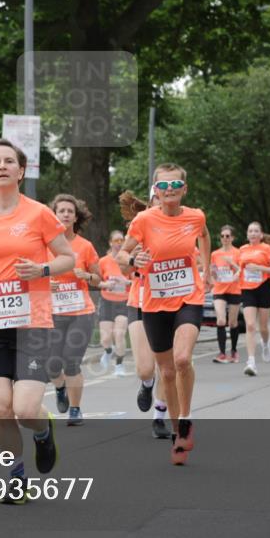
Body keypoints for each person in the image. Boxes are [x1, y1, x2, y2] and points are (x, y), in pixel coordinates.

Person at [0, 138, 75, 503]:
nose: (2, 166)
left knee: (23, 410)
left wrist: (42, 268)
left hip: (32, 322)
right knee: (2, 407)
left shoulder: (38, 213)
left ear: (21, 171)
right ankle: (16, 478)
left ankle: (42, 430)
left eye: (9, 161)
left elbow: (67, 258)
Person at [118, 164, 211, 465]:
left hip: (189, 297)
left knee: (182, 360)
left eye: (175, 185)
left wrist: (206, 270)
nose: (169, 190)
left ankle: (185, 420)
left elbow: (205, 236)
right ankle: (175, 431)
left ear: (184, 189)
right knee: (167, 372)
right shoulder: (144, 220)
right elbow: (120, 257)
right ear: (155, 191)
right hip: (154, 303)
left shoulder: (196, 216)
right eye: (163, 186)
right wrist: (133, 258)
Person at [118, 189, 171, 440]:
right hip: (139, 301)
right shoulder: (138, 231)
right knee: (145, 368)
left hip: (170, 303)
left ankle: (159, 416)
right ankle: (147, 385)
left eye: (167, 199)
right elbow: (121, 266)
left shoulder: (181, 230)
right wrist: (133, 261)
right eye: (157, 199)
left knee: (166, 366)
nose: (162, 203)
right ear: (150, 203)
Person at [47, 194, 101, 426]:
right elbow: (32, 274)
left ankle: (76, 410)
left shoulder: (85, 246)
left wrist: (87, 276)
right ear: (54, 215)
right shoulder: (44, 245)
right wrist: (45, 282)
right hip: (53, 312)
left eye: (70, 211)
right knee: (51, 365)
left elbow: (99, 279)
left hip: (81, 312)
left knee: (71, 361)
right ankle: (60, 389)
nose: (66, 214)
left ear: (76, 216)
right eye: (62, 211)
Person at [237, 222, 270, 377]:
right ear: (247, 234)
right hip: (247, 289)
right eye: (250, 231)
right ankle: (251, 361)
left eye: (256, 231)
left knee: (263, 327)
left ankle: (266, 344)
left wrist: (260, 268)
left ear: (261, 235)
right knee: (250, 325)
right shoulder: (242, 249)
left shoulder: (266, 249)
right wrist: (236, 275)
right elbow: (239, 268)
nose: (253, 234)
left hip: (263, 287)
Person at [97, 230, 132, 377]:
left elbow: (137, 281)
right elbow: (96, 280)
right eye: (116, 241)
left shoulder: (129, 260)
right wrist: (105, 284)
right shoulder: (103, 261)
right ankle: (108, 351)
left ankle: (119, 365)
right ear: (110, 243)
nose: (119, 243)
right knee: (105, 338)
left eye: (121, 241)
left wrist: (126, 281)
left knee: (119, 334)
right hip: (106, 301)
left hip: (124, 301)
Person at [209, 225, 242, 363]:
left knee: (232, 322)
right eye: (222, 236)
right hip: (219, 290)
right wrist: (213, 275)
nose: (224, 238)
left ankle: (233, 351)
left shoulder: (238, 252)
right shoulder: (215, 254)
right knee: (221, 320)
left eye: (227, 236)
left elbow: (241, 270)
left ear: (232, 238)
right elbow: (213, 272)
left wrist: (232, 263)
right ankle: (222, 353)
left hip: (234, 289)